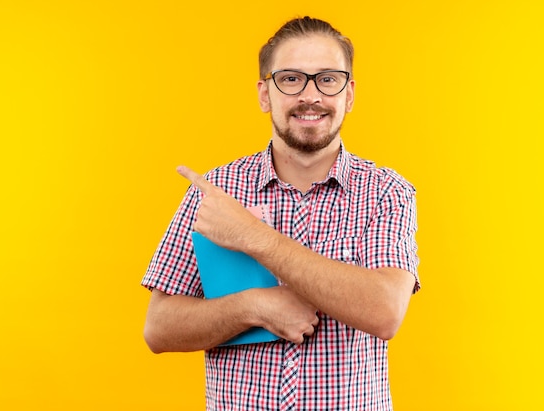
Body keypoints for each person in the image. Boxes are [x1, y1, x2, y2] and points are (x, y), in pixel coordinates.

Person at [142, 16, 420, 410]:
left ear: (349, 94)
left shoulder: (386, 192)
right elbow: (160, 329)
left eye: (328, 79)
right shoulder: (217, 192)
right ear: (264, 94)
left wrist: (253, 238)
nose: (311, 96)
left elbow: (385, 311)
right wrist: (254, 306)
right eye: (291, 79)